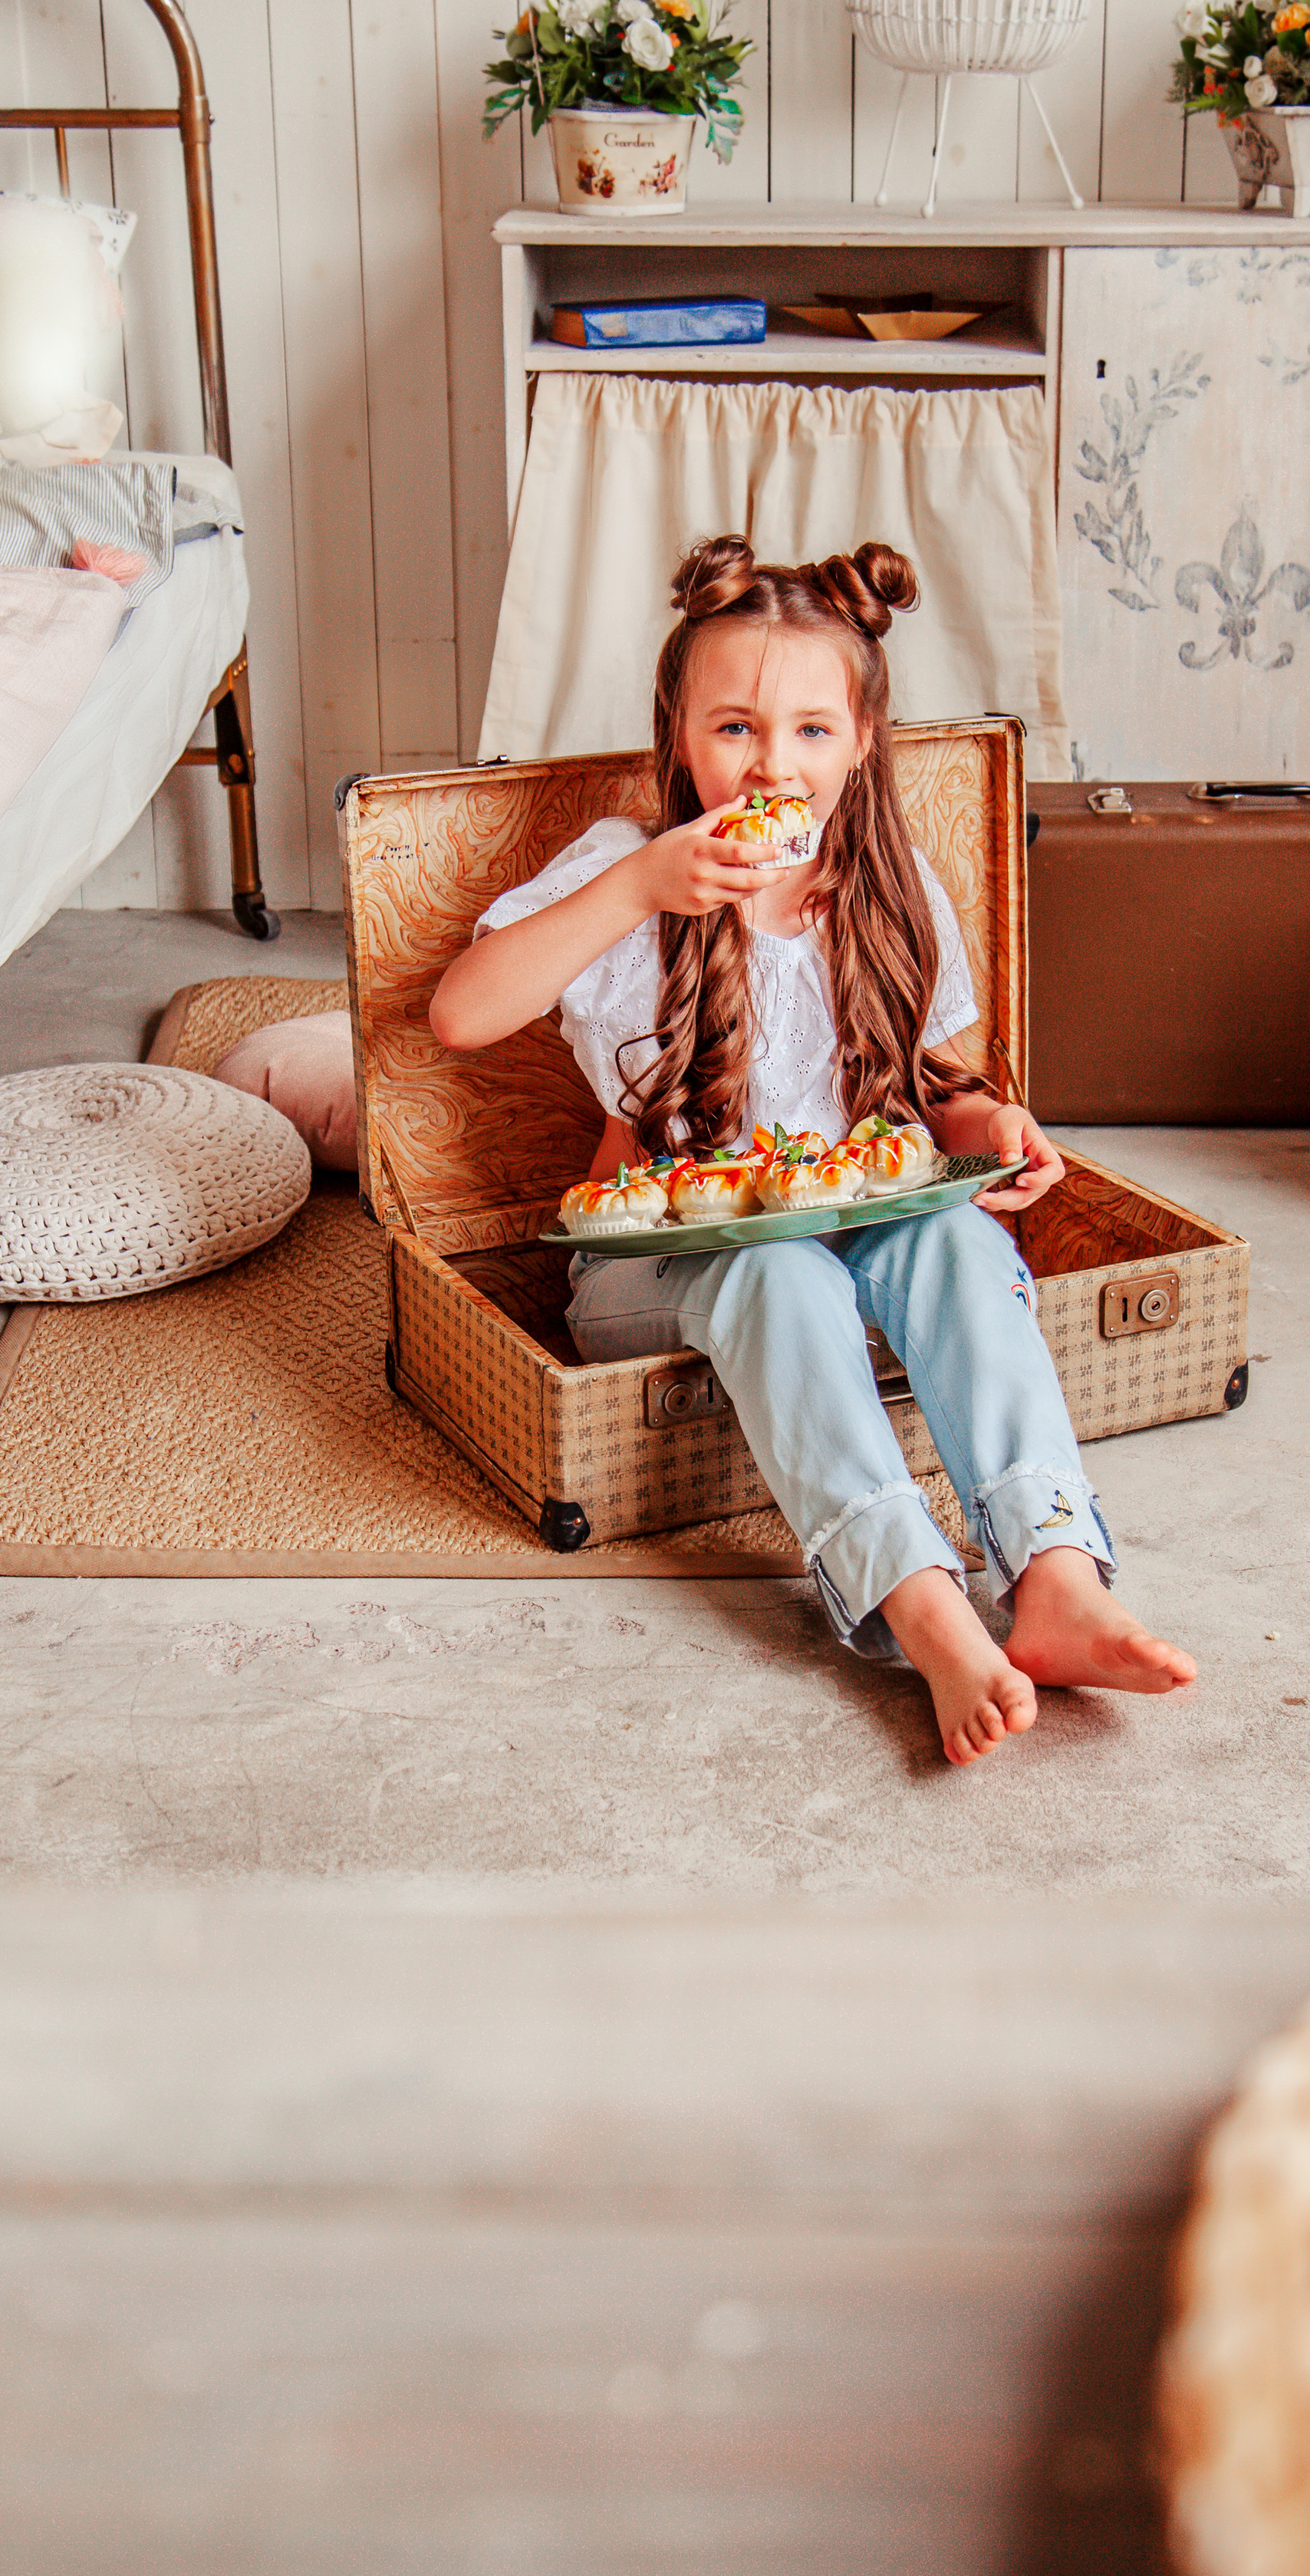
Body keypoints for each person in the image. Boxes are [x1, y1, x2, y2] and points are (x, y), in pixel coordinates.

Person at [429, 537, 1196, 1765]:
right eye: (734, 729)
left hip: (860, 1250)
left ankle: (1053, 1572)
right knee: (775, 1268)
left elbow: (937, 1095)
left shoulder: (889, 886)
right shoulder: (630, 870)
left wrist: (988, 1130)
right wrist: (640, 886)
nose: (769, 766)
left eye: (809, 734)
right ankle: (923, 1603)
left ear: (865, 739)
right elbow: (461, 1016)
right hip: (661, 1268)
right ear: (678, 730)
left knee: (950, 1225)